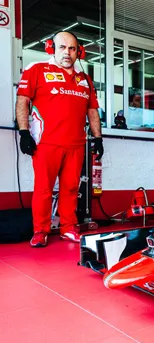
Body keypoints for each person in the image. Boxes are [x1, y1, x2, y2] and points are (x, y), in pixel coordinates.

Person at [16, 31, 104, 247]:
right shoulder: (37, 70)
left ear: (79, 52)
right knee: (43, 189)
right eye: (62, 47)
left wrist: (98, 138)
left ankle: (68, 228)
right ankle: (40, 230)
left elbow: (92, 111)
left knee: (71, 188)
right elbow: (23, 101)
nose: (67, 52)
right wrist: (24, 132)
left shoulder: (85, 79)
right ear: (51, 48)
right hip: (46, 143)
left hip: (76, 144)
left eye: (72, 48)